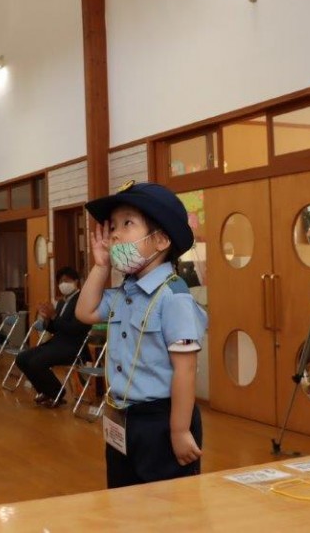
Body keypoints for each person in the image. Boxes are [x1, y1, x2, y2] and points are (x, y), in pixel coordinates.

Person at [74, 182, 208, 489]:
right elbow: (85, 312)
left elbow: (185, 370)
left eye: (127, 223)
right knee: (124, 501)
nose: (115, 234)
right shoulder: (125, 292)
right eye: (112, 227)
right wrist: (100, 266)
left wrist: (179, 430)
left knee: (167, 508)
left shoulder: (174, 297)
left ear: (160, 240)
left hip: (163, 419)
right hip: (123, 416)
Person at [15, 267, 90, 408]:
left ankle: (56, 393)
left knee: (36, 362)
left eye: (66, 280)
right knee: (22, 358)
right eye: (60, 281)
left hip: (73, 347)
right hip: (56, 344)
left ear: (76, 281)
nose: (63, 284)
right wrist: (47, 320)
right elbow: (55, 329)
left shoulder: (82, 301)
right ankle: (46, 391)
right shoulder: (62, 302)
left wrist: (54, 316)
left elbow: (75, 329)